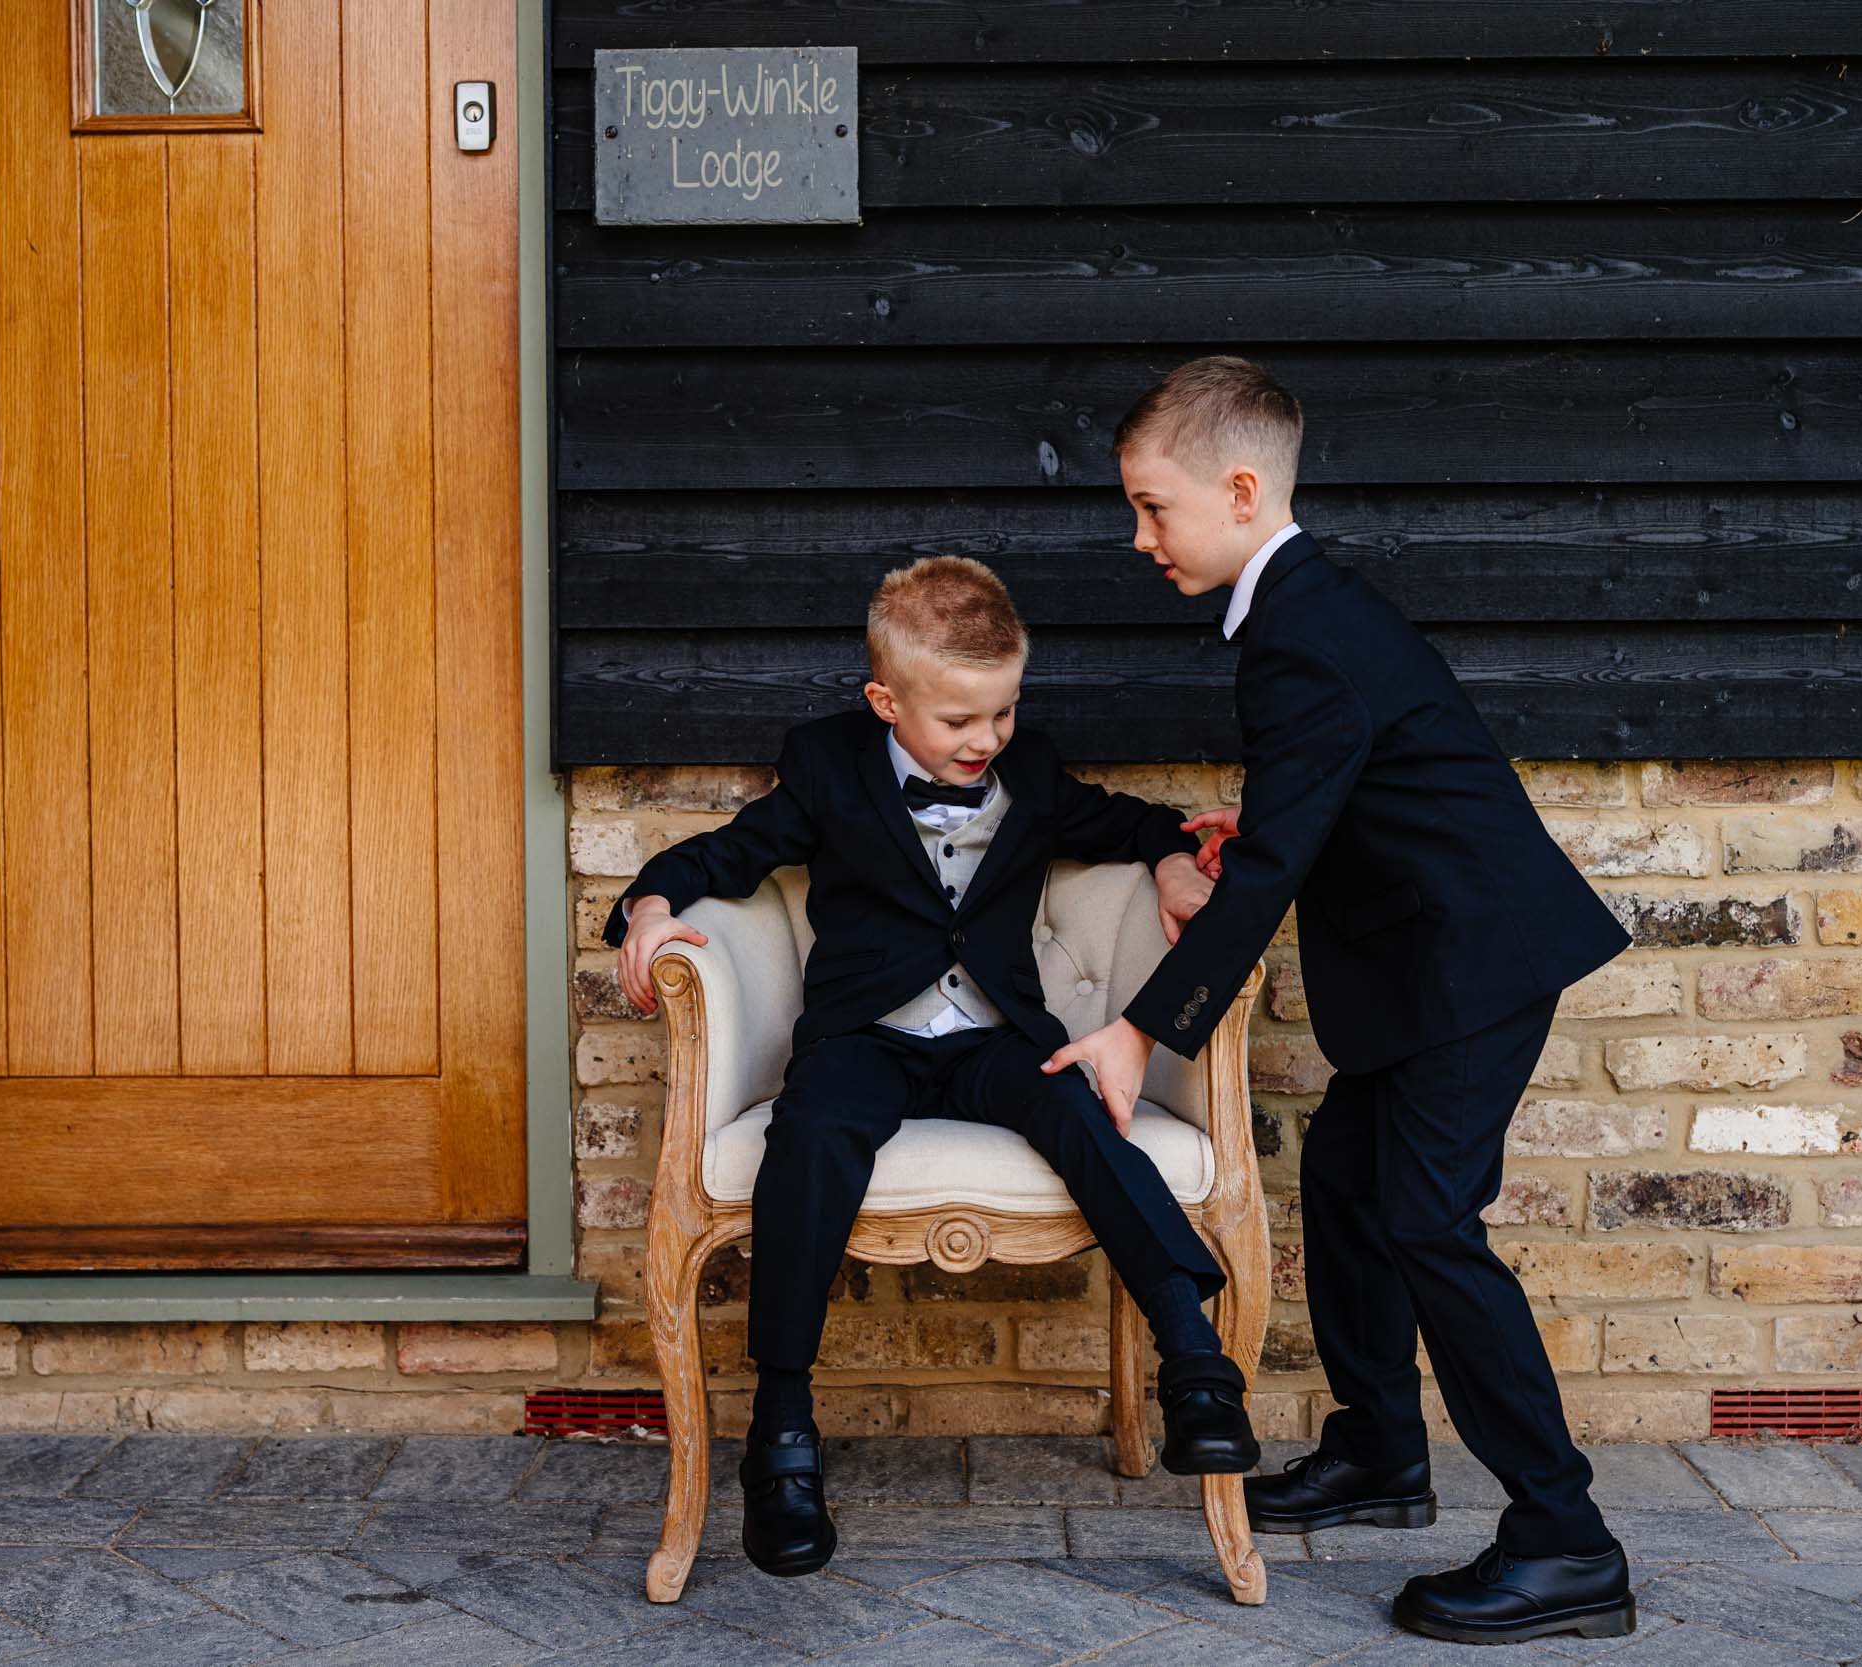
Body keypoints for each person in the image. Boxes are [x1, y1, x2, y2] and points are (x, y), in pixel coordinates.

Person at [1044, 356, 1639, 1646]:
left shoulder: (1298, 634)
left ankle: (1566, 1537)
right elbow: (1336, 797)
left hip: (1470, 964)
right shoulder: (1298, 615)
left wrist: (1140, 1024)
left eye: (1154, 507)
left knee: (1430, 1224)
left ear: (1241, 488)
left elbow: (1278, 862)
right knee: (1350, 1191)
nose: (1138, 536)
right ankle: (1380, 1451)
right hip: (1431, 958)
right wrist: (1253, 830)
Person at [608, 555, 1258, 1579]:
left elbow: (1127, 821)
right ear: (885, 700)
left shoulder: (1029, 770)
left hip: (996, 1033)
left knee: (1087, 1115)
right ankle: (782, 1429)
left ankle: (1193, 1360)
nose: (984, 740)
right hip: (863, 1035)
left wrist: (1176, 860)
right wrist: (649, 905)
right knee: (810, 1134)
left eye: (999, 714)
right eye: (959, 721)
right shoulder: (825, 763)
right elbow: (724, 855)